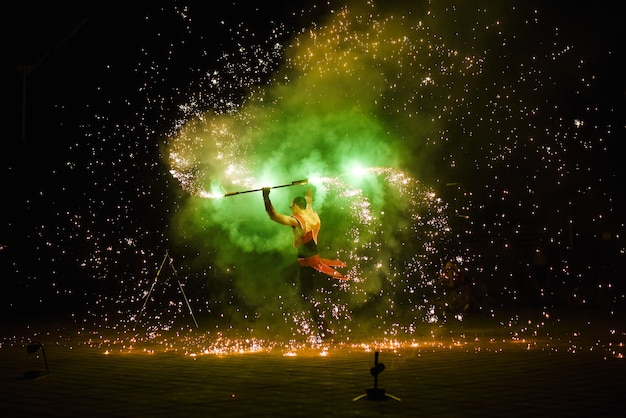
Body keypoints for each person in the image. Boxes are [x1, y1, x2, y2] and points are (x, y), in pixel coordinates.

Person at [262, 187, 347, 338]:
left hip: (308, 263)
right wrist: (311, 185)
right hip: (310, 259)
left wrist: (266, 197)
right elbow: (309, 199)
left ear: (295, 205)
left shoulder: (297, 220)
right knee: (289, 278)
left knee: (306, 297)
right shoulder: (311, 213)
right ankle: (322, 326)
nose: (290, 208)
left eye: (291, 205)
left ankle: (324, 330)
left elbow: (273, 216)